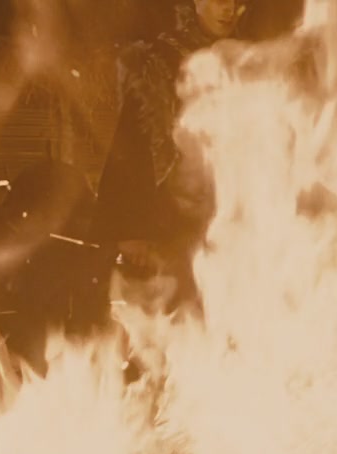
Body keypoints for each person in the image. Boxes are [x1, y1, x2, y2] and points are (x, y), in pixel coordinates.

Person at [89, 0, 242, 317]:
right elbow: (133, 146)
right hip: (170, 221)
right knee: (180, 319)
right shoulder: (160, 63)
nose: (229, 9)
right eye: (220, 0)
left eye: (238, 1)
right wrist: (130, 229)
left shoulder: (246, 61)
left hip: (230, 218)